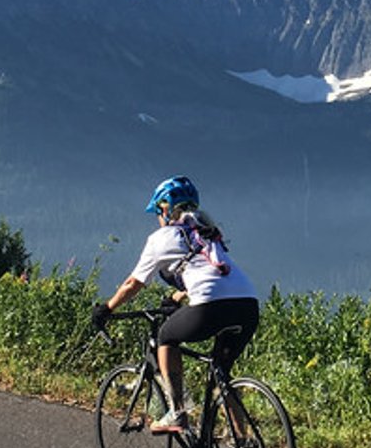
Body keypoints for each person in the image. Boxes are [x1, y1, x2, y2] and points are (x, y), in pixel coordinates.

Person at [91, 175, 260, 434]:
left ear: (166, 208)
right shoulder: (206, 230)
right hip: (247, 305)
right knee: (221, 375)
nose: (158, 218)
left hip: (210, 306)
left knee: (166, 337)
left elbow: (133, 283)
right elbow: (208, 270)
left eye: (158, 212)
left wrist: (107, 308)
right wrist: (177, 297)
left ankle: (178, 413)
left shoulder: (161, 238)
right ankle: (244, 444)